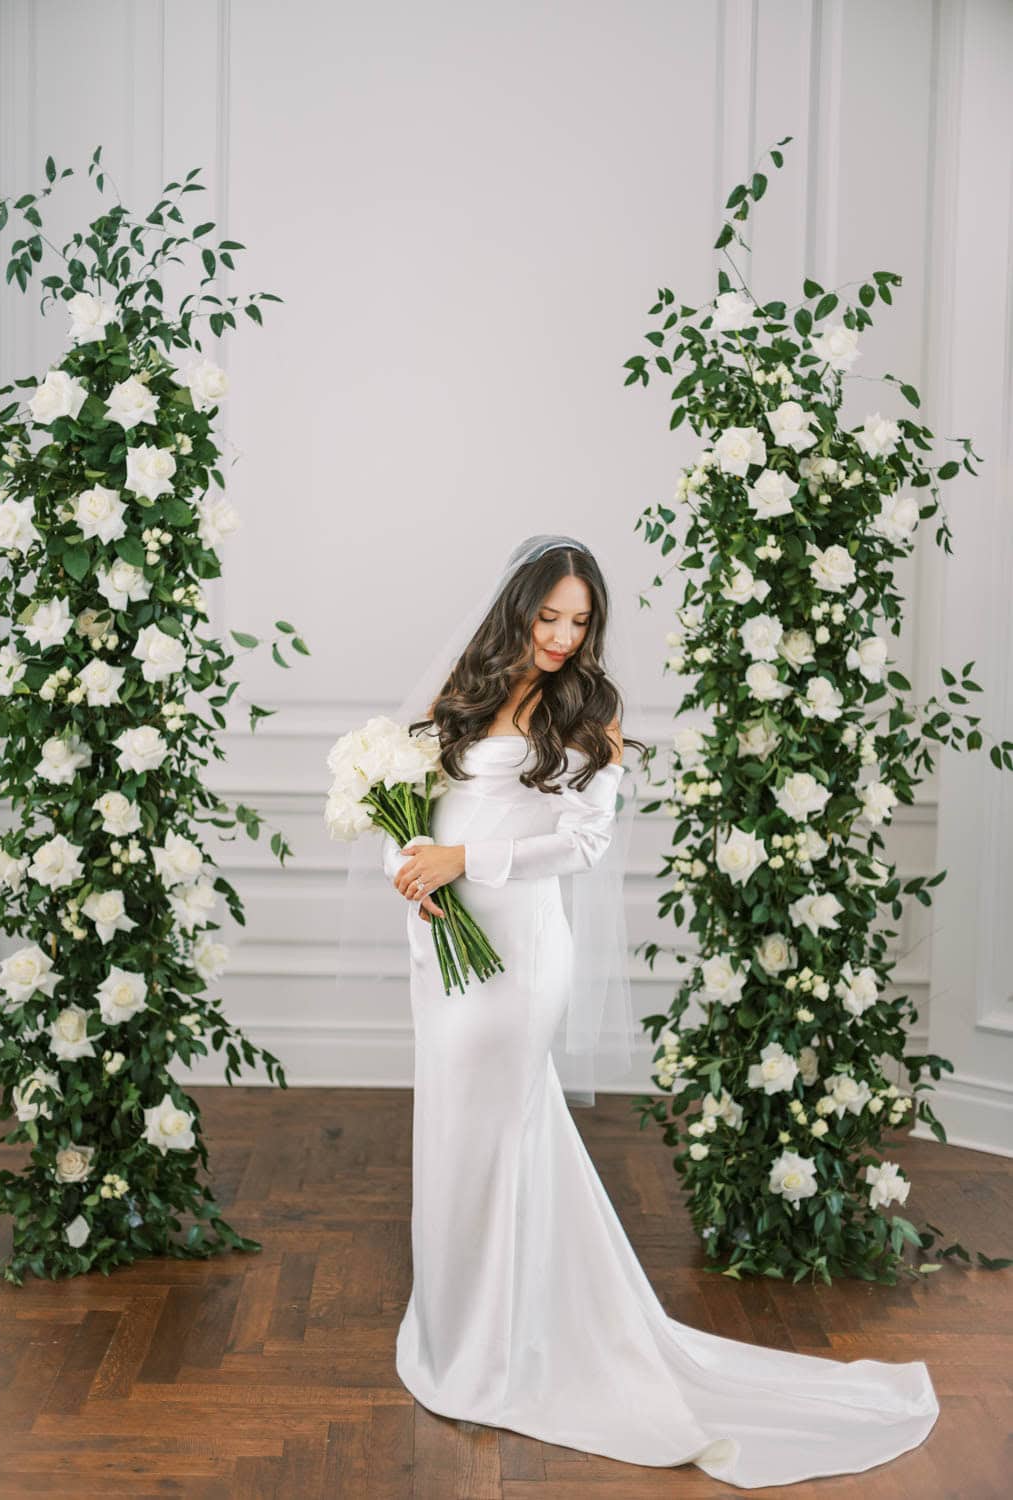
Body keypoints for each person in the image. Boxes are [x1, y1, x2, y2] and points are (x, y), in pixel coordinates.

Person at [375, 534, 939, 1489]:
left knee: (495, 1132)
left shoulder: (588, 711)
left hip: (520, 955)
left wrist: (465, 861)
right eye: (548, 616)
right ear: (516, 610)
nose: (561, 636)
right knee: (454, 1129)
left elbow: (582, 843)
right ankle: (455, 1323)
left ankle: (494, 1346)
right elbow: (412, 808)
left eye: (578, 621)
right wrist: (411, 871)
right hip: (442, 945)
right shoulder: (463, 694)